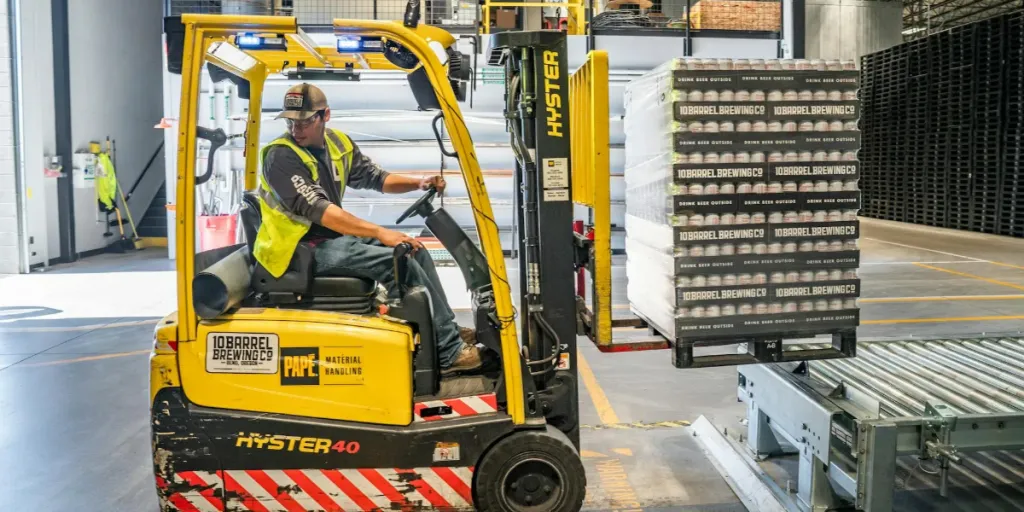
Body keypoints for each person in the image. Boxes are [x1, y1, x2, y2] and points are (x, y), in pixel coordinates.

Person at [253, 83, 482, 374]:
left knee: (415, 250)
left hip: (329, 240)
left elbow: (377, 178)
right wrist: (378, 232)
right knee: (398, 263)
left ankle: (445, 330)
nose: (296, 129)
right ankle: (448, 351)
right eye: (291, 121)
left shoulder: (337, 144)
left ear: (326, 116)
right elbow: (320, 211)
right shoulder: (281, 156)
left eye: (305, 121)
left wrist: (418, 182)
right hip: (298, 251)